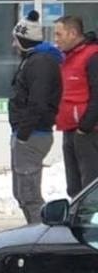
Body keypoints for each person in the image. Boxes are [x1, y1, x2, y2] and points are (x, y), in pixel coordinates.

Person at [7, 10, 62, 223]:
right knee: (21, 193)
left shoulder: (40, 63)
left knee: (29, 195)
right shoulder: (35, 61)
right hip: (28, 134)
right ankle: (33, 229)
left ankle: (38, 236)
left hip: (31, 136)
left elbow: (37, 102)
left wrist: (23, 133)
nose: (13, 45)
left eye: (16, 40)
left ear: (24, 40)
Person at [53, 15, 98, 196]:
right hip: (69, 129)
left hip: (87, 132)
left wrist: (85, 126)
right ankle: (77, 219)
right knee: (74, 186)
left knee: (89, 185)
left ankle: (91, 221)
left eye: (59, 34)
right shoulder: (67, 57)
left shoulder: (92, 56)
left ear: (72, 33)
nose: (56, 40)